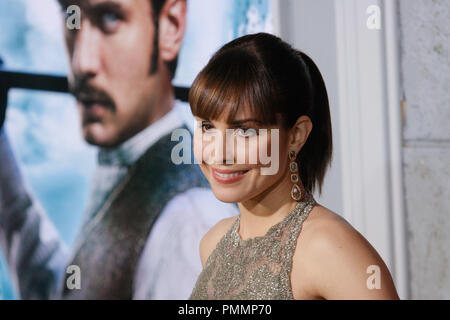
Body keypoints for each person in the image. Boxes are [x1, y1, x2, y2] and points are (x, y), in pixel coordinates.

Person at [0, 0, 237, 299]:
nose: (81, 63)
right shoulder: (128, 167)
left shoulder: (189, 226)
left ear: (170, 27)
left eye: (110, 18)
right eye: (71, 18)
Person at [188, 33, 400, 300]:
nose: (218, 153)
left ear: (296, 135)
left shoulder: (328, 247)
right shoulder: (213, 243)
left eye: (244, 131)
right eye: (207, 126)